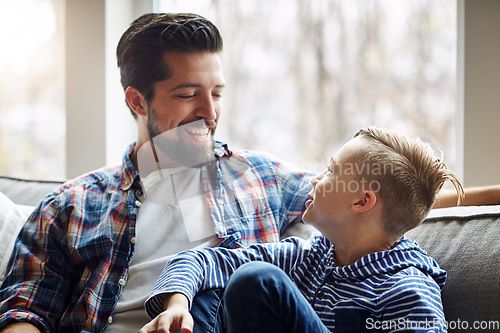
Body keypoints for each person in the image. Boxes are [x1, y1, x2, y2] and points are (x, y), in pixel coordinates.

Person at [0, 12, 498, 333]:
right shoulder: (71, 205)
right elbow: (25, 311)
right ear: (137, 100)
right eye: (187, 94)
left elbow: (384, 195)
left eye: (216, 93)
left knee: (239, 283)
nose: (209, 113)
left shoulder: (261, 178)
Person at [141, 127, 464, 333]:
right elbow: (201, 260)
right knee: (208, 289)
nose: (314, 179)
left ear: (362, 201)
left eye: (331, 171)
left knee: (256, 280)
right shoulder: (305, 255)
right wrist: (178, 305)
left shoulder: (408, 292)